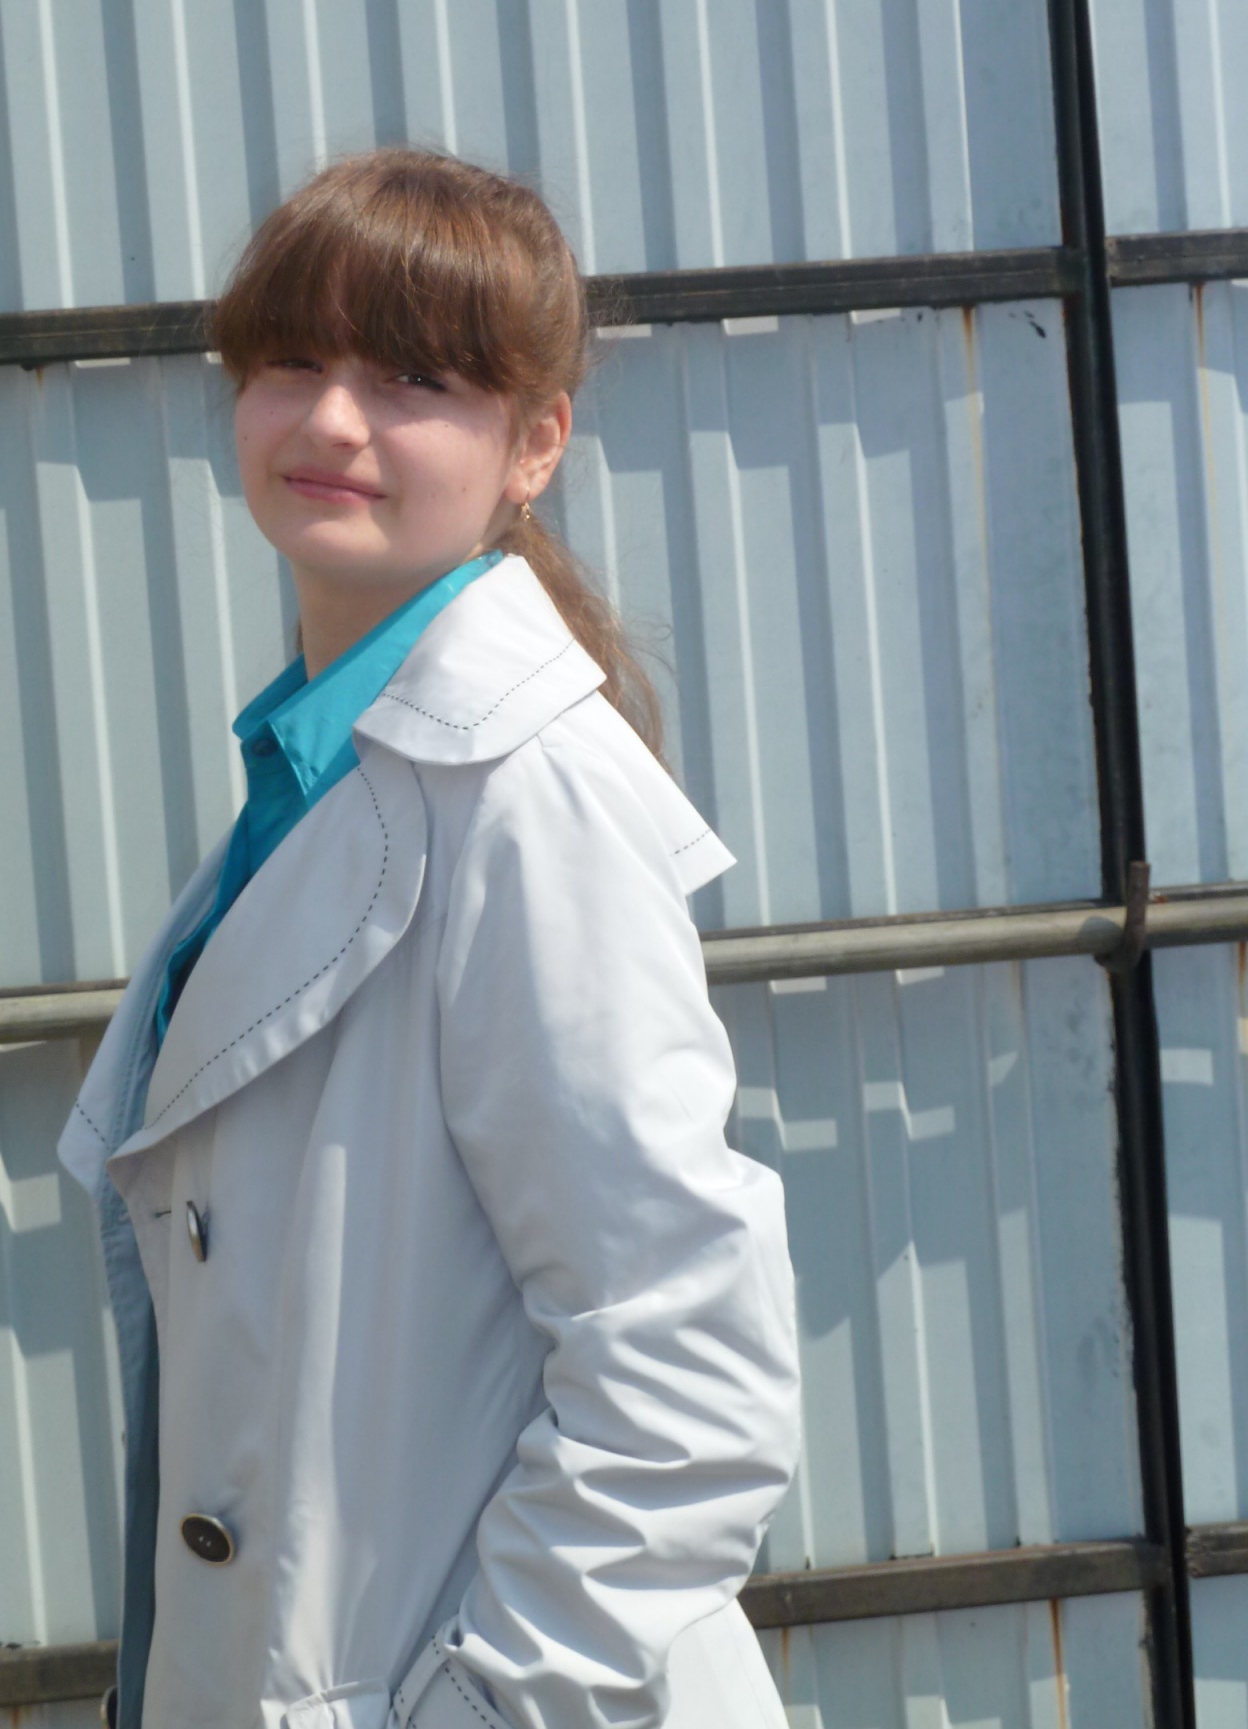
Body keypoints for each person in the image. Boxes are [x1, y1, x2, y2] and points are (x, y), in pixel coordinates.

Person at [58, 151, 801, 1729]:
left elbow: (686, 1384)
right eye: (290, 361)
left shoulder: (529, 796)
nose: (332, 422)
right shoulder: (322, 767)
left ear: (535, 443)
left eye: (412, 378)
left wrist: (481, 1710)